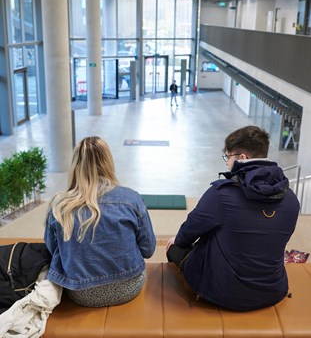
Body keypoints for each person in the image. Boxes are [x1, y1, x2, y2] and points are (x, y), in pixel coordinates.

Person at [166, 125, 300, 311]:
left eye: (228, 157)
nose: (227, 163)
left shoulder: (222, 194)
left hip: (224, 294)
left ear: (242, 158)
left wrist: (177, 241)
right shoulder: (291, 199)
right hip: (273, 291)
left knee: (176, 247)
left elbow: (190, 230)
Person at [44, 136, 156, 307]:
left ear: (75, 165)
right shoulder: (131, 199)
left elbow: (53, 250)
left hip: (80, 292)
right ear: (108, 162)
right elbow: (148, 250)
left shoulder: (60, 205)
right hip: (128, 286)